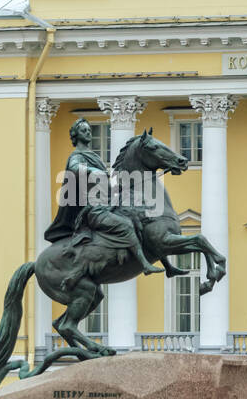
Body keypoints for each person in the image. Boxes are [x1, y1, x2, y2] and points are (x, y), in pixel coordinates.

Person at [44, 117, 164, 280]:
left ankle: (166, 265)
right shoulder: (77, 155)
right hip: (95, 210)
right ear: (76, 135)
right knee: (126, 225)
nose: (88, 133)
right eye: (83, 130)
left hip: (106, 205)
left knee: (138, 218)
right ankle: (144, 264)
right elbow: (73, 167)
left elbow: (105, 186)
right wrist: (93, 171)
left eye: (88, 130)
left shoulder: (93, 156)